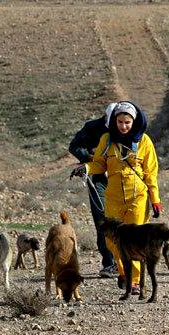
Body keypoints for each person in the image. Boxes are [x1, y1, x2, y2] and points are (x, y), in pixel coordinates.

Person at [71, 101, 163, 294]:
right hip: (113, 198)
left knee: (135, 240)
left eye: (127, 122)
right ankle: (123, 272)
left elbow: (150, 173)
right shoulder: (106, 139)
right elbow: (99, 165)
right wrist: (86, 168)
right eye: (120, 121)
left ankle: (134, 282)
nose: (123, 126)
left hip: (137, 197)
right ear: (114, 121)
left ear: (134, 121)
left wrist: (155, 199)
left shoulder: (144, 141)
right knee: (112, 240)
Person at [69, 103, 118, 278]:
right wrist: (91, 158)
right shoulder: (91, 128)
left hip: (119, 178)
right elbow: (74, 146)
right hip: (97, 178)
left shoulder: (126, 126)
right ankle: (109, 263)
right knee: (102, 219)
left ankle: (125, 261)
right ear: (106, 118)